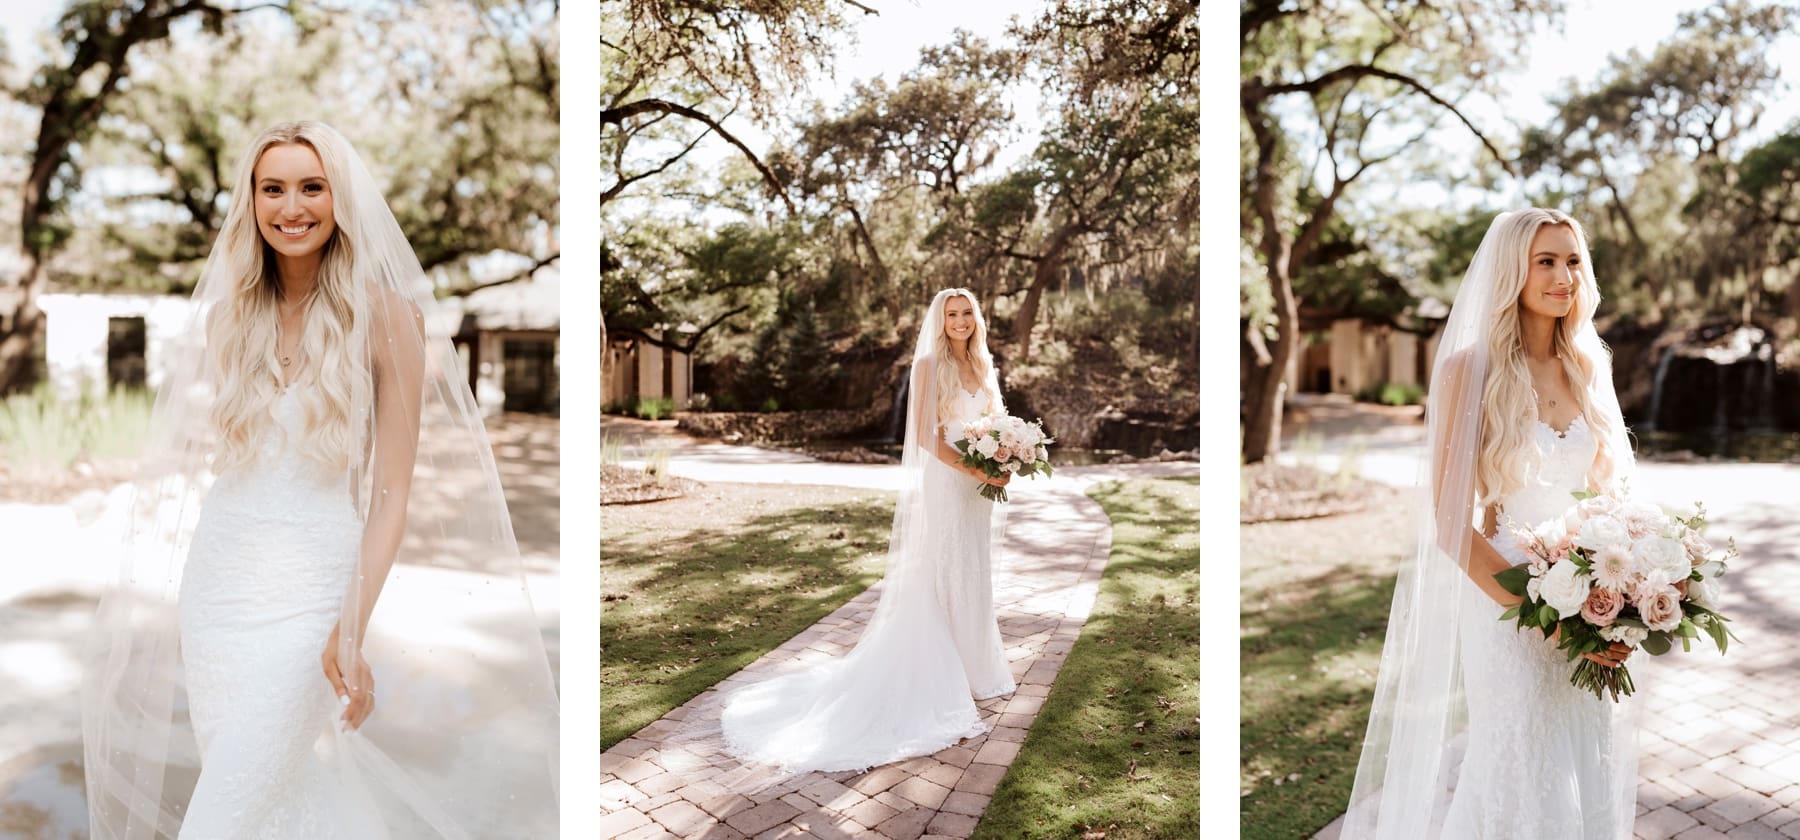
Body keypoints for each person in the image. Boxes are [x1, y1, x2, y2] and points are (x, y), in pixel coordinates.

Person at [81, 121, 558, 839]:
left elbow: (393, 494)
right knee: (273, 796)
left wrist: (350, 628)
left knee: (224, 815)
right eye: (273, 187)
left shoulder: (387, 318)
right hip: (218, 592)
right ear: (252, 200)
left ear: (340, 199)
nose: (292, 206)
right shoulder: (225, 320)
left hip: (311, 597)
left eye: (312, 186)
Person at [1341, 208, 1639, 839]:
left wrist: (1630, 591)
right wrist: (1546, 619)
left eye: (1573, 260)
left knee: (1585, 755)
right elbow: (1450, 523)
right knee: (1517, 765)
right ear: (1512, 271)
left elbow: (1612, 496)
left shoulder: (1590, 366)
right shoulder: (1467, 371)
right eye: (1546, 261)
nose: (1565, 276)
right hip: (1505, 600)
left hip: (1589, 595)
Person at [718, 287, 1017, 773]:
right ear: (940, 322)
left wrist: (1009, 453)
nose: (960, 321)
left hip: (976, 494)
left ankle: (973, 665)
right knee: (942, 569)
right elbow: (924, 436)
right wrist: (979, 469)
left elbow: (996, 423)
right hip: (949, 483)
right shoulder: (928, 368)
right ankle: (934, 673)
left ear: (977, 320)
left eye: (966, 314)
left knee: (972, 568)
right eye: (951, 315)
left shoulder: (984, 367)